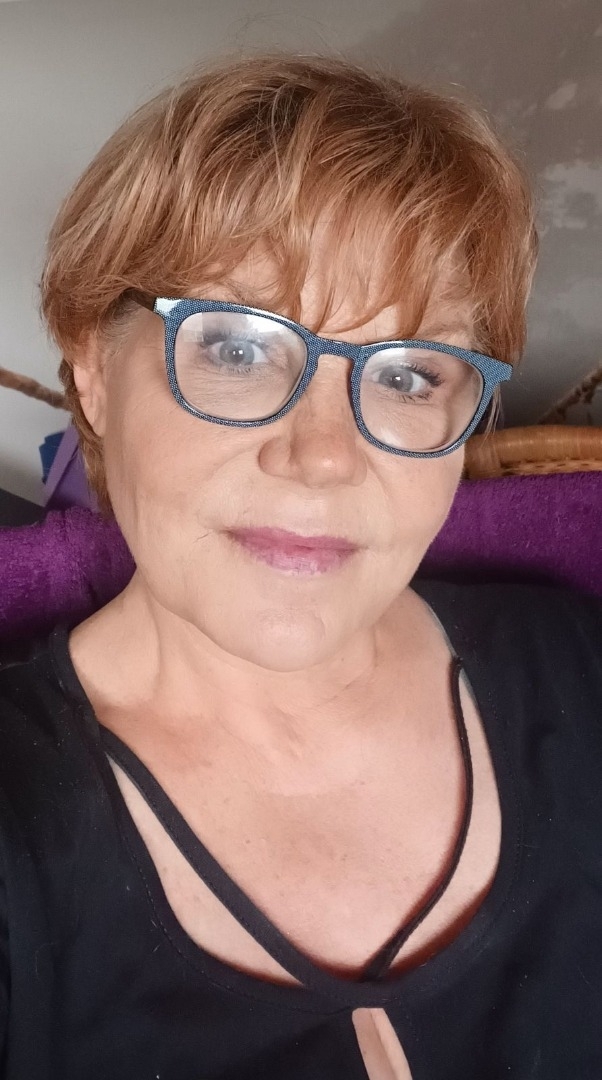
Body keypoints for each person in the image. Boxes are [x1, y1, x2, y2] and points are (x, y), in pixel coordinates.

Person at [1, 53, 600, 1080]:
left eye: (410, 372)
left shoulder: (579, 669)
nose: (324, 456)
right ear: (93, 368)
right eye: (237, 348)